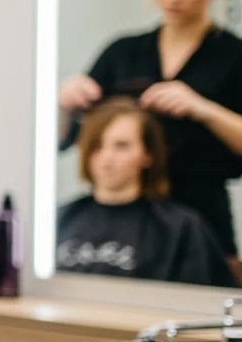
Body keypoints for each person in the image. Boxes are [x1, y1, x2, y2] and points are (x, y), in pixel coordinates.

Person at [59, 0, 242, 258]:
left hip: (202, 224)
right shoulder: (123, 53)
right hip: (120, 224)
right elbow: (65, 139)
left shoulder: (234, 58)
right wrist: (63, 104)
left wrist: (203, 109)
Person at [58, 98, 235, 287]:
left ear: (147, 155)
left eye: (121, 146)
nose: (106, 158)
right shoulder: (57, 219)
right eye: (97, 146)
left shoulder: (179, 228)